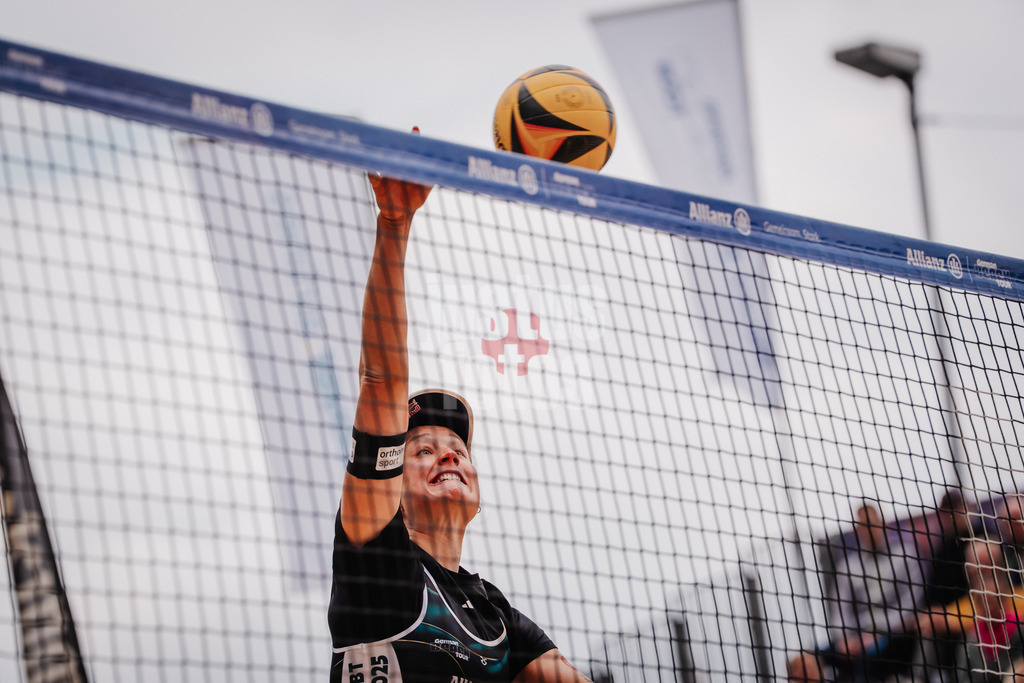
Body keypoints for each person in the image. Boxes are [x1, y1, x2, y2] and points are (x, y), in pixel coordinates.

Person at [328, 167, 591, 682]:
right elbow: (380, 380)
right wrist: (395, 224)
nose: (449, 455)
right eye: (423, 449)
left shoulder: (494, 613)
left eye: (458, 449)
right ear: (391, 491)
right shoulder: (377, 559)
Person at [828, 501, 926, 681]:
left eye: (872, 523)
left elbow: (911, 603)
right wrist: (845, 639)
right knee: (817, 655)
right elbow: (840, 609)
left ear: (883, 523)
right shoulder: (848, 567)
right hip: (856, 639)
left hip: (895, 635)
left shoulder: (905, 556)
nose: (869, 529)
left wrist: (877, 632)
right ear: (857, 531)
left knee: (869, 659)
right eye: (863, 526)